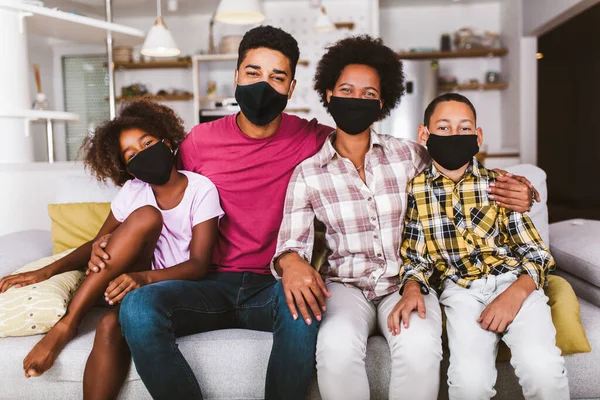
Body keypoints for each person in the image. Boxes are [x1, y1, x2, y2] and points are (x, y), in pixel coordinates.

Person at [87, 27, 538, 400]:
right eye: (254, 72)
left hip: (273, 287)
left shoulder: (318, 141)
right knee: (140, 307)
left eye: (278, 76)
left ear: (292, 87)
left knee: (305, 305)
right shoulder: (199, 142)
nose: (265, 85)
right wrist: (102, 243)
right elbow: (149, 187)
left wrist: (521, 187)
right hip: (208, 282)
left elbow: (451, 166)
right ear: (236, 75)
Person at [273, 35, 539, 400]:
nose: (357, 99)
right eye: (347, 90)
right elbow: (291, 245)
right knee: (334, 349)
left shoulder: (410, 155)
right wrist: (290, 261)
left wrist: (524, 189)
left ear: (382, 104)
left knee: (418, 350)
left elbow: (465, 176)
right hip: (345, 287)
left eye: (369, 94)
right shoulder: (308, 173)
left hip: (409, 284)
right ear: (329, 95)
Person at [0, 100, 224, 399]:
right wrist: (47, 270)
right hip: (120, 282)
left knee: (109, 324)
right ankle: (69, 323)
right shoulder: (133, 191)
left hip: (165, 285)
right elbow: (99, 243)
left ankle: (71, 322)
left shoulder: (201, 189)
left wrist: (144, 279)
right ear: (128, 168)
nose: (143, 153)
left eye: (148, 143)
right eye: (132, 154)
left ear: (167, 142)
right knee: (145, 215)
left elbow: (199, 265)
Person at [390, 93, 569, 400]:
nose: (454, 135)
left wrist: (514, 296)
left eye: (464, 128)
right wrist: (411, 286)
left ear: (478, 136)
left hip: (515, 284)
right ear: (424, 134)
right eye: (443, 128)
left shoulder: (501, 185)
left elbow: (537, 253)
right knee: (469, 382)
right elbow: (416, 258)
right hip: (461, 293)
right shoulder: (416, 191)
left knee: (543, 369)